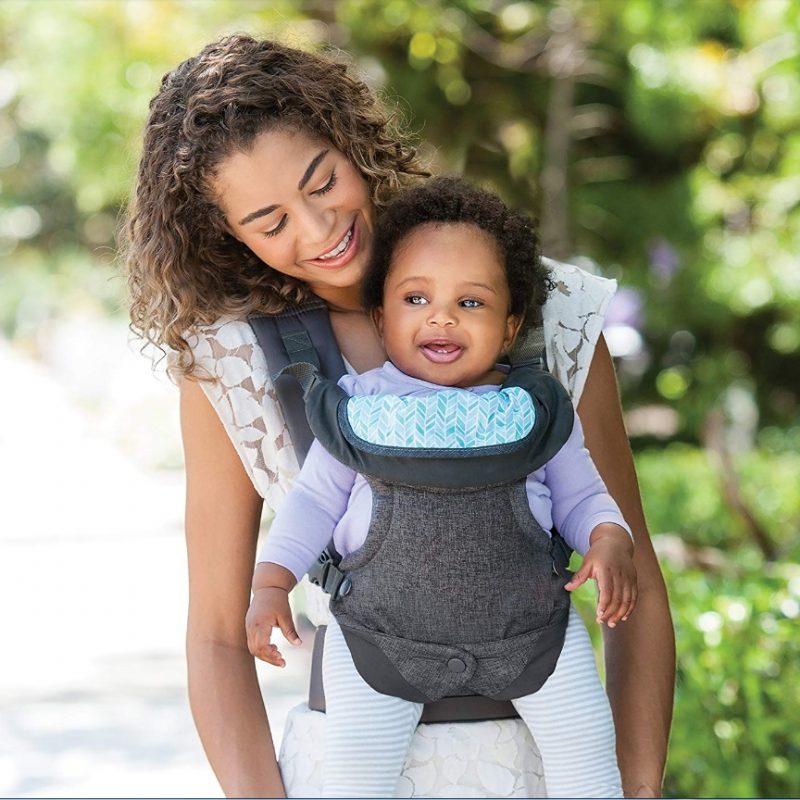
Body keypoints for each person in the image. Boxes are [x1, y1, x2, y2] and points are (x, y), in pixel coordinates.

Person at [124, 33, 674, 798]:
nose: (318, 230)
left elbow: (631, 573)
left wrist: (639, 786)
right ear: (228, 235)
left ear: (351, 140)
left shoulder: (553, 313)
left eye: (322, 183)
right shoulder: (234, 364)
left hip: (545, 769)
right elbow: (218, 636)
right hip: (351, 762)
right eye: (270, 221)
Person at [246, 177, 637, 797]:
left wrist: (609, 536)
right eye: (416, 298)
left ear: (511, 329)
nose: (443, 316)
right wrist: (271, 583)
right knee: (355, 781)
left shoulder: (534, 411)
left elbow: (582, 495)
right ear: (381, 318)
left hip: (532, 636)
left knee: (588, 757)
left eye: (472, 303)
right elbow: (315, 503)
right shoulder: (358, 410)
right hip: (379, 639)